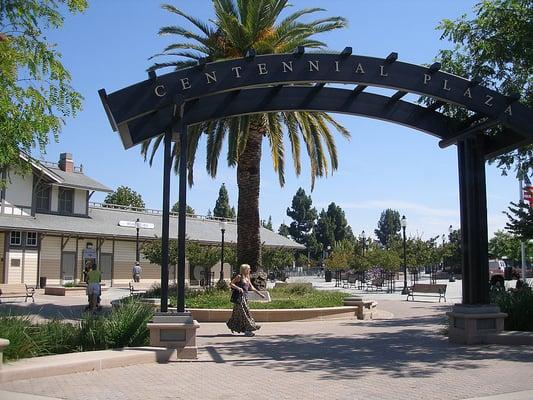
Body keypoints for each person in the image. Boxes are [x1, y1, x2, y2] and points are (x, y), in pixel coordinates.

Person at [227, 264, 265, 336]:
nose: (250, 270)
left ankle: (232, 324)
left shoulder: (247, 278)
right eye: (249, 269)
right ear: (245, 270)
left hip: (245, 298)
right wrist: (238, 288)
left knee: (241, 315)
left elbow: (252, 288)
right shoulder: (239, 277)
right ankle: (248, 330)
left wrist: (260, 294)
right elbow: (231, 284)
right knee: (245, 314)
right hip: (239, 299)